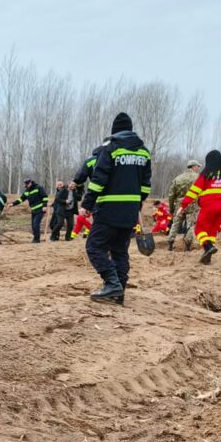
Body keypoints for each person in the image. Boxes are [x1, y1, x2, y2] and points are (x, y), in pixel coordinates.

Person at [81, 112, 151, 304]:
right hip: (130, 212)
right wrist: (137, 202)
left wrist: (87, 203)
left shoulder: (111, 148)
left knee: (94, 246)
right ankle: (119, 291)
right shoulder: (144, 152)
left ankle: (111, 283)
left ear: (114, 131)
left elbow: (98, 179)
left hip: (109, 209)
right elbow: (145, 185)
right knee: (120, 251)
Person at [179, 150, 221, 265]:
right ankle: (207, 256)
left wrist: (183, 205)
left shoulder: (206, 173)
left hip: (210, 206)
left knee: (199, 229)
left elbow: (194, 191)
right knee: (212, 230)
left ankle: (208, 246)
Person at [166, 159, 202, 250]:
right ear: (193, 166)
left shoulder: (178, 178)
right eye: (198, 166)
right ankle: (188, 245)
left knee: (175, 224)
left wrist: (171, 208)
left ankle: (170, 243)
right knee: (191, 225)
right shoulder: (199, 177)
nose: (198, 168)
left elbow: (171, 195)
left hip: (179, 204)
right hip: (193, 203)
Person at [11, 179, 48, 243]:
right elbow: (21, 199)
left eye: (27, 184)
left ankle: (37, 239)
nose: (26, 186)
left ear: (30, 183)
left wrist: (44, 206)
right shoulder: (27, 191)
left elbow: (45, 197)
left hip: (40, 209)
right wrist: (13, 204)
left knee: (36, 224)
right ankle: (35, 237)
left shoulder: (39, 188)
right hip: (33, 210)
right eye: (25, 185)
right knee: (33, 225)